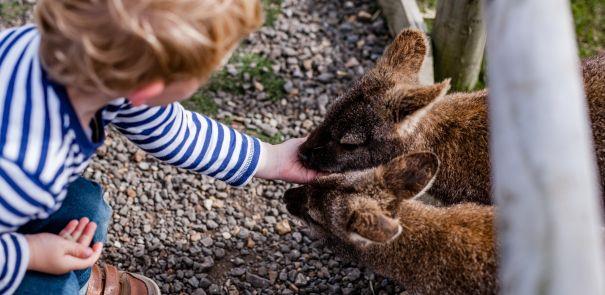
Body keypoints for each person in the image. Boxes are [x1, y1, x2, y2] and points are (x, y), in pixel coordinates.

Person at [0, 0, 319, 294]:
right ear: (148, 90)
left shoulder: (71, 55)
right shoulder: (28, 169)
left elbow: (172, 131)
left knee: (87, 210)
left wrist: (270, 159)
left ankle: (77, 281)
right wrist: (30, 252)